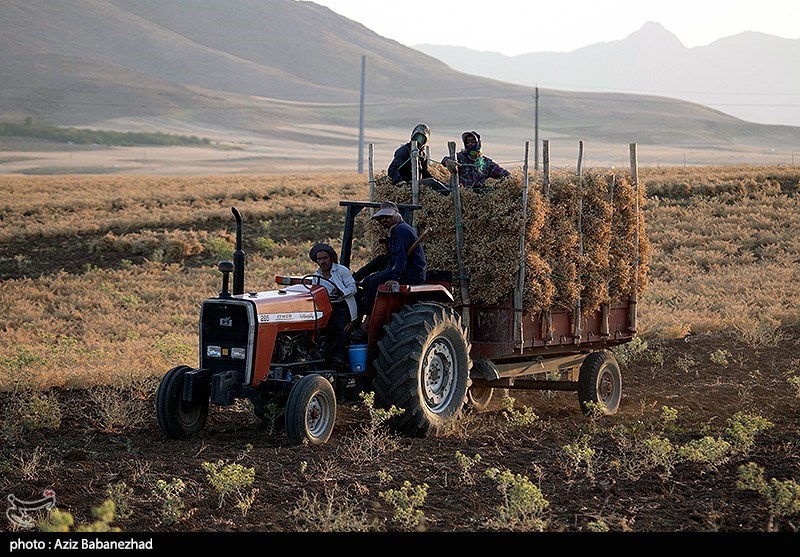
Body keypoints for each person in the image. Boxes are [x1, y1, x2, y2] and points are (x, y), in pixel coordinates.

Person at [349, 201, 426, 340]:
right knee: (366, 282)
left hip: (411, 272)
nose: (384, 220)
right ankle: (362, 318)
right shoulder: (393, 231)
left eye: (388, 217)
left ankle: (369, 324)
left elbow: (401, 257)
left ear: (396, 215)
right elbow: (392, 258)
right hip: (397, 268)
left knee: (374, 282)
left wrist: (395, 278)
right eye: (381, 217)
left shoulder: (402, 230)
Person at [309, 243, 358, 364]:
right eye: (319, 259)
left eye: (324, 258)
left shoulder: (341, 271)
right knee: (318, 326)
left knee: (340, 325)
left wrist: (343, 293)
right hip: (327, 306)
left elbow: (353, 287)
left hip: (343, 305)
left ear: (331, 258)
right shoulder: (316, 276)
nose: (322, 262)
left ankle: (340, 356)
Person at [387, 123, 450, 194]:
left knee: (440, 184)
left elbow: (425, 174)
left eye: (422, 138)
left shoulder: (422, 154)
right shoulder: (403, 151)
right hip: (407, 183)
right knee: (432, 182)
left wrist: (441, 182)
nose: (419, 140)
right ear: (413, 136)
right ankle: (450, 195)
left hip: (418, 182)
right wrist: (399, 181)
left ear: (425, 141)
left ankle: (450, 189)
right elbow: (392, 169)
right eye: (417, 137)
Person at [441, 130, 511, 190]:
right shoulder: (460, 157)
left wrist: (503, 183)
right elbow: (445, 159)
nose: (470, 144)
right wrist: (448, 162)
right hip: (459, 193)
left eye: (473, 141)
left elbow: (505, 174)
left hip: (478, 195)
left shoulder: (486, 162)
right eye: (467, 142)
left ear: (478, 144)